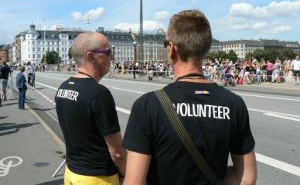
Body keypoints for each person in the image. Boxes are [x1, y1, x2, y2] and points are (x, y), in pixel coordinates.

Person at [122, 10, 257, 185]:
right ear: (206, 49)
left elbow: (134, 182)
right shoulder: (233, 103)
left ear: (171, 49)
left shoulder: (147, 105)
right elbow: (246, 177)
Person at [54, 32, 126, 185]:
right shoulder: (99, 94)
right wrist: (125, 175)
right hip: (97, 178)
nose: (112, 57)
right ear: (90, 56)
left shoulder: (63, 88)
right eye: (108, 52)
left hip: (72, 173)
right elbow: (117, 153)